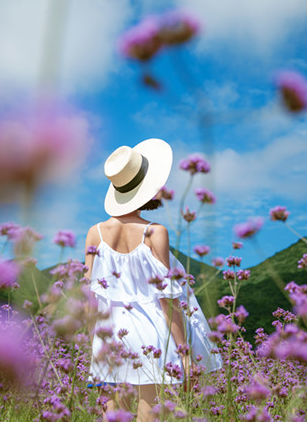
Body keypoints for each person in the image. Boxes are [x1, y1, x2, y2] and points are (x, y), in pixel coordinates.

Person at [84, 139, 222, 421]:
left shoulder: (94, 233)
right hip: (151, 333)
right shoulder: (155, 232)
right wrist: (183, 352)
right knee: (149, 415)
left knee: (113, 415)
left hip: (109, 333)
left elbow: (90, 297)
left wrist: (92, 342)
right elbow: (166, 295)